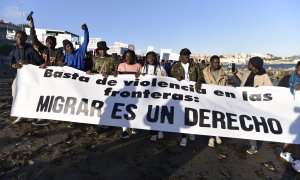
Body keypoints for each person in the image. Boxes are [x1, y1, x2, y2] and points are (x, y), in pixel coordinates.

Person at [234, 56, 272, 154]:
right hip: (245, 102)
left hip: (256, 106)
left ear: (254, 66)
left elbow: (271, 91)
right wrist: (236, 73)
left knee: (252, 125)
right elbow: (243, 81)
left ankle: (253, 146)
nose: (248, 64)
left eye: (249, 63)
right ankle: (253, 143)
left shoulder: (264, 76)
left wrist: (260, 90)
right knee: (246, 123)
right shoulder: (248, 72)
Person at [170, 48, 204, 147]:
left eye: (188, 55)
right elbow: (171, 74)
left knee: (193, 113)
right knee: (183, 115)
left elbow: (200, 75)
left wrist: (199, 81)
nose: (187, 57)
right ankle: (184, 137)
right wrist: (176, 75)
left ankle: (192, 131)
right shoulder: (175, 65)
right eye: (185, 55)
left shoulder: (195, 65)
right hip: (181, 94)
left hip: (193, 93)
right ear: (181, 56)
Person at [10, 30, 44, 124]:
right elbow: (11, 64)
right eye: (17, 37)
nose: (19, 38)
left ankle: (34, 114)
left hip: (32, 78)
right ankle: (21, 114)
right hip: (19, 77)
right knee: (15, 92)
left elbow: (40, 63)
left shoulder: (31, 49)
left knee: (32, 95)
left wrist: (28, 63)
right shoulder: (14, 50)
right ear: (15, 38)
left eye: (21, 37)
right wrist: (14, 65)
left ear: (25, 38)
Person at [141, 51, 167, 142]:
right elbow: (140, 81)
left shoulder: (161, 68)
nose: (151, 59)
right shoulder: (144, 68)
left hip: (159, 95)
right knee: (151, 113)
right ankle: (153, 133)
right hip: (148, 95)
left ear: (156, 58)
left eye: (153, 57)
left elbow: (167, 80)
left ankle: (160, 130)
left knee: (159, 113)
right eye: (149, 58)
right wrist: (141, 76)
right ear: (146, 59)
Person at [203, 55, 228, 147]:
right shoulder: (205, 72)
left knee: (218, 119)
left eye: (218, 62)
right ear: (210, 63)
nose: (217, 64)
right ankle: (211, 137)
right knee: (210, 119)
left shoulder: (223, 73)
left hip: (220, 100)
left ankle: (217, 134)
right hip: (209, 100)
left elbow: (226, 86)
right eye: (214, 62)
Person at [117, 49, 142, 138]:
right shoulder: (121, 65)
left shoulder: (138, 66)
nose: (129, 58)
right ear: (124, 57)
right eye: (127, 56)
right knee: (124, 109)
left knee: (133, 109)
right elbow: (117, 79)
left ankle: (133, 126)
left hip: (134, 92)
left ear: (134, 57)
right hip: (123, 92)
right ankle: (125, 130)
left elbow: (143, 79)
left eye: (131, 56)